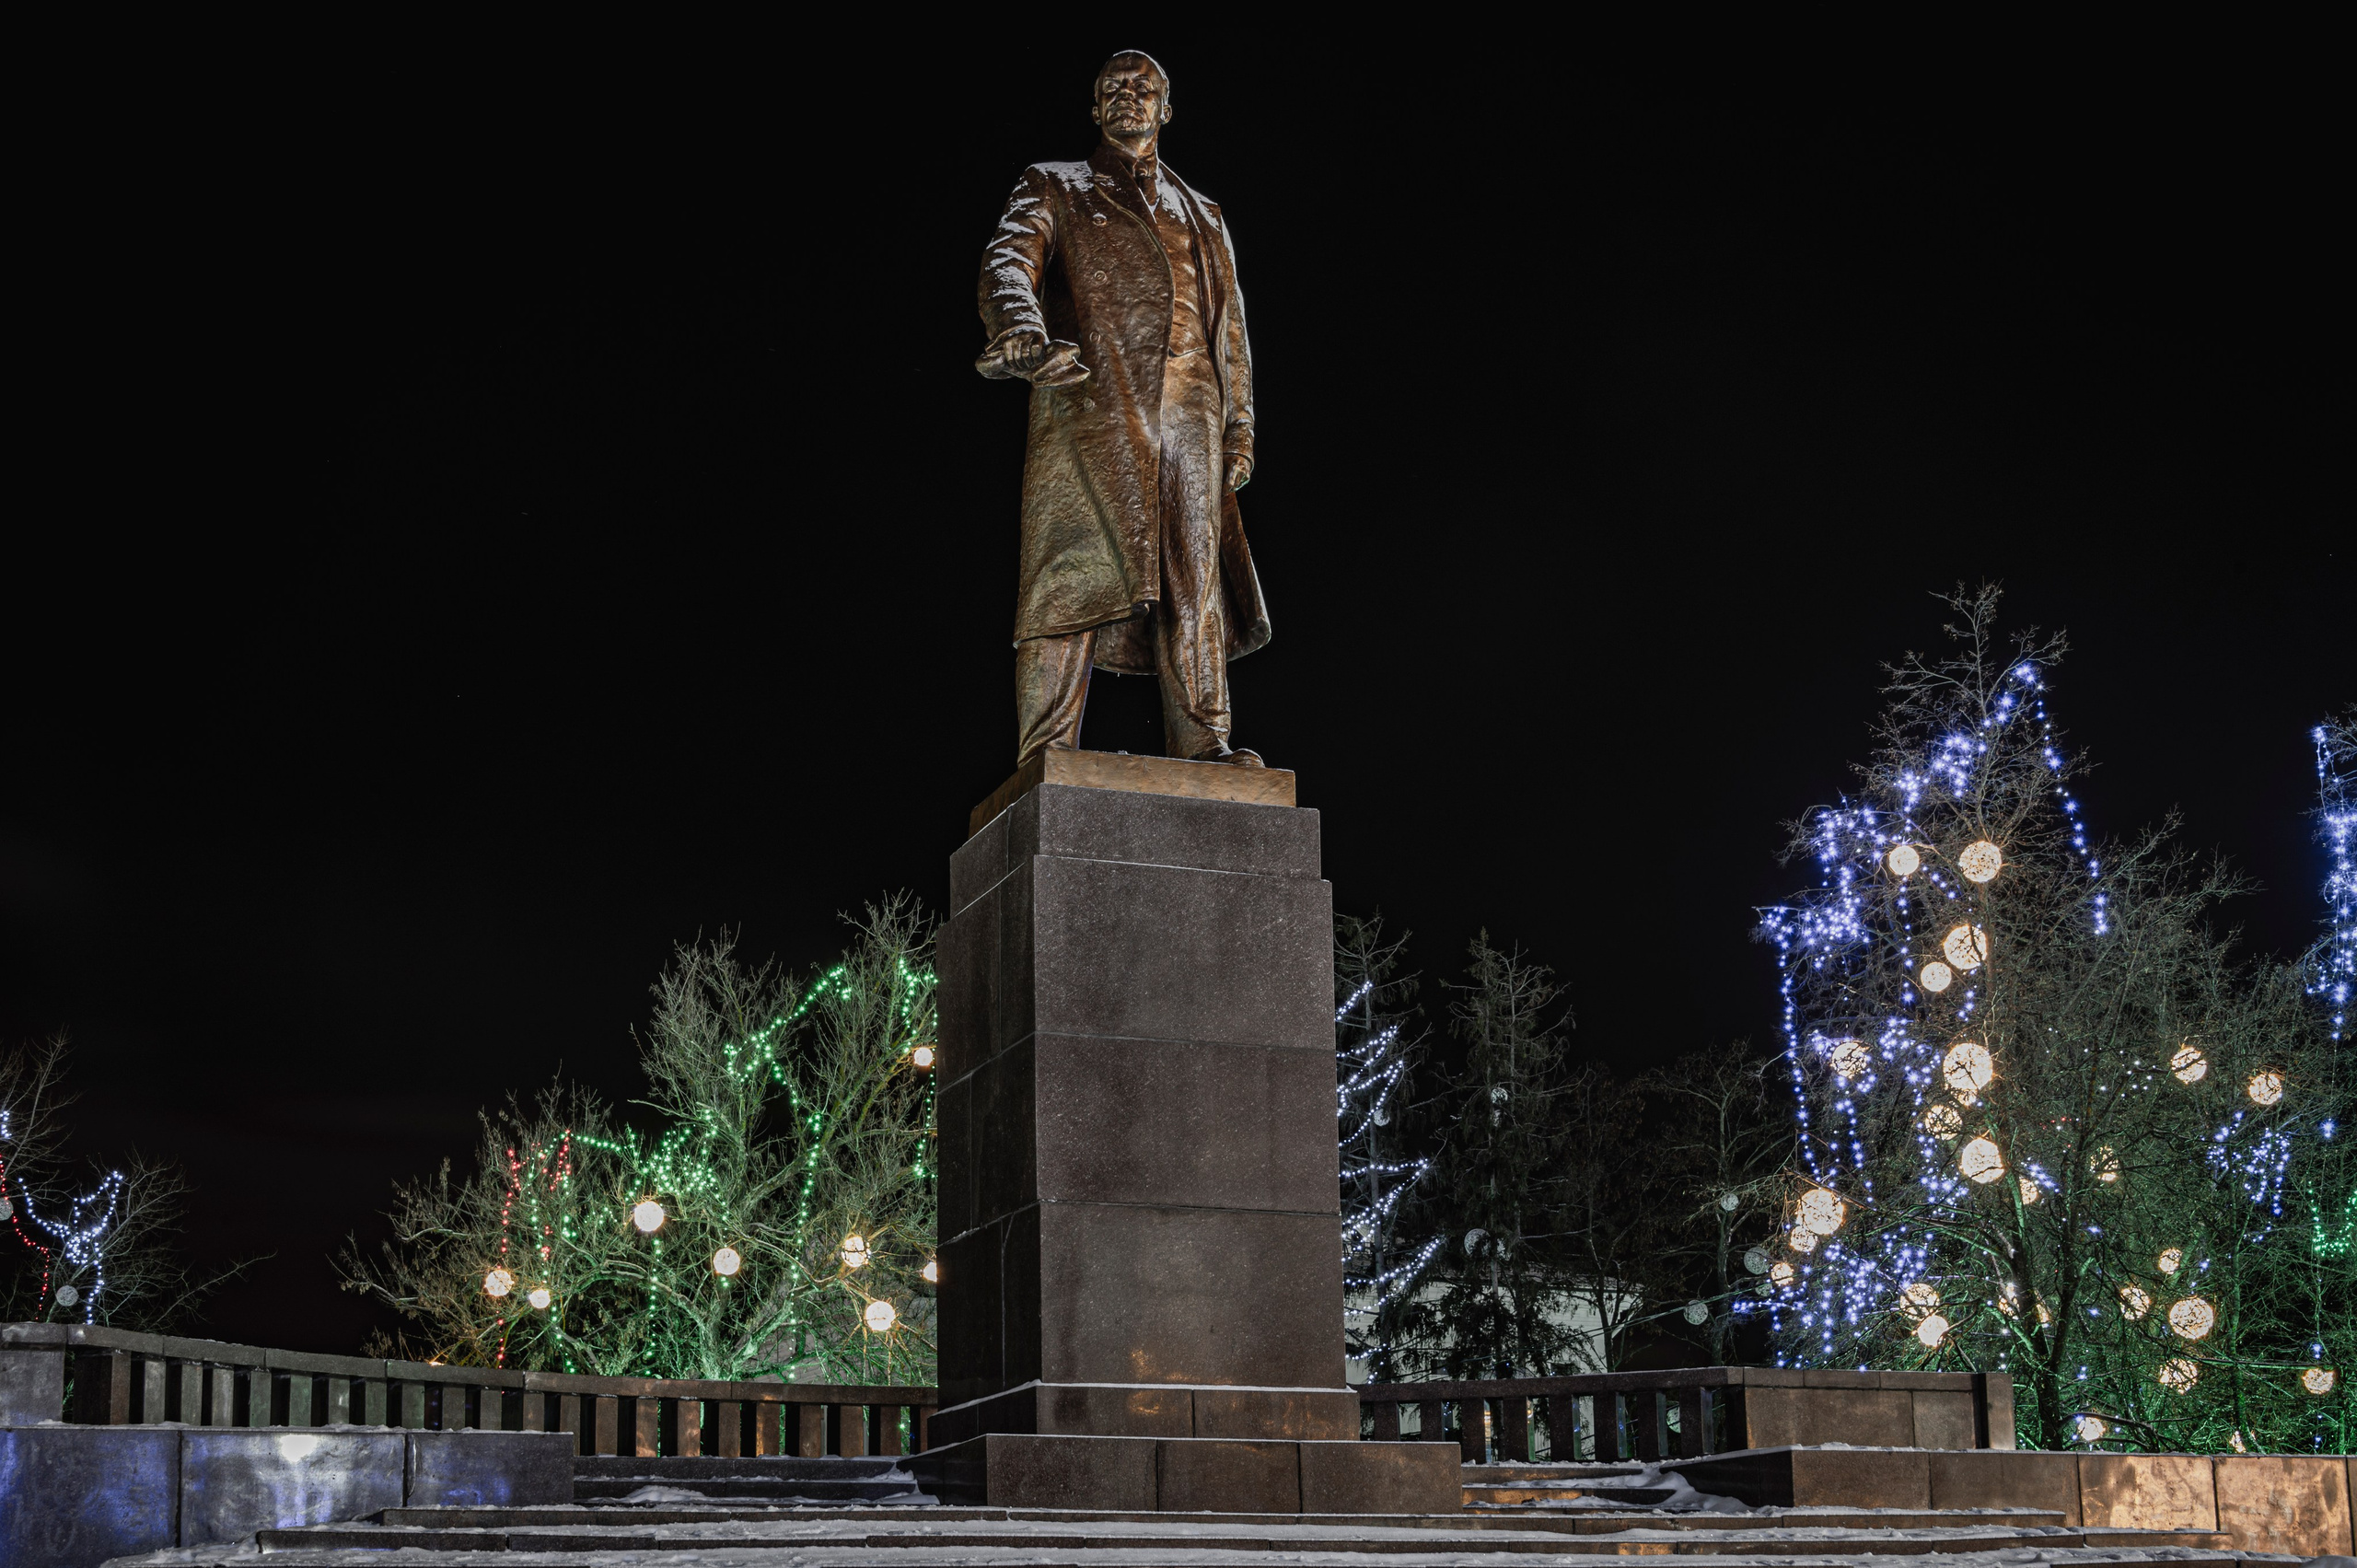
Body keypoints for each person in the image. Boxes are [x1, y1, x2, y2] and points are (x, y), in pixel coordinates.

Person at [977, 49, 1271, 768]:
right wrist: (1021, 326)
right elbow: (1008, 262)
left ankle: (1204, 738)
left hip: (1191, 412)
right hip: (1093, 404)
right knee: (1068, 573)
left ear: (1166, 109)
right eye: (1113, 87)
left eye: (1143, 88)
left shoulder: (1204, 213)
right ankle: (1046, 749)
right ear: (1094, 107)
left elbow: (1229, 332)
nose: (1127, 96)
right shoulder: (1055, 184)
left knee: (1193, 577)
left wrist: (1239, 425)